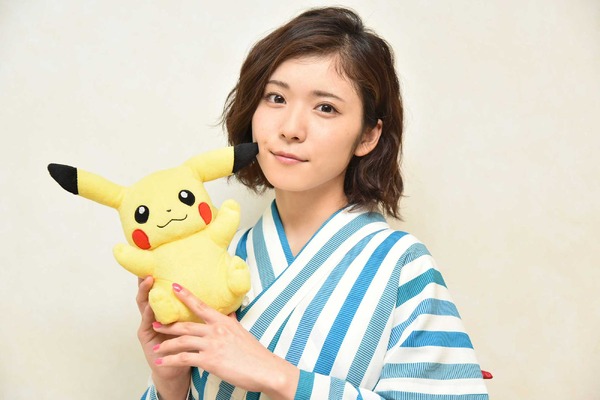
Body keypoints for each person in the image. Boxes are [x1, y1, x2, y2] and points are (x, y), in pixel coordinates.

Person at [137, 6, 489, 400]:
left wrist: (282, 377)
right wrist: (170, 383)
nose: (290, 129)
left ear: (368, 136)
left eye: (326, 107)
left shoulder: (402, 266)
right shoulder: (221, 255)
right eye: (276, 98)